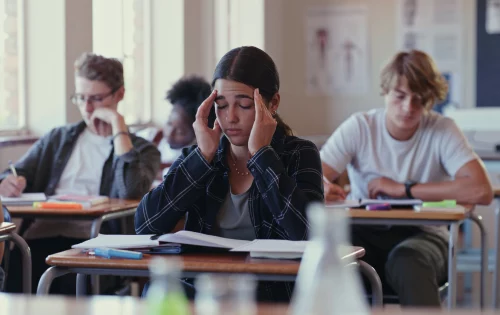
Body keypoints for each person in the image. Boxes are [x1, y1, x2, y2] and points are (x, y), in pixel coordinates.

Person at [135, 46, 324, 301]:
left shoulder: (299, 154)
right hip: (203, 291)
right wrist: (202, 158)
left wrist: (261, 155)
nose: (230, 117)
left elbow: (309, 234)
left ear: (273, 103)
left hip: (270, 294)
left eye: (244, 105)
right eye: (221, 105)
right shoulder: (202, 156)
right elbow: (145, 224)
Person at [320, 50, 493, 307]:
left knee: (409, 259)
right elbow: (312, 177)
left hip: (425, 236)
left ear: (430, 99)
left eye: (419, 99)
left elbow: (481, 190)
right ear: (386, 91)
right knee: (334, 253)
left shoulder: (441, 129)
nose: (408, 108)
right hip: (367, 233)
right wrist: (322, 187)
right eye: (400, 96)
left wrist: (405, 189)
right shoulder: (360, 127)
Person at [0, 52, 161, 294]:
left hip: (97, 242)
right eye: (80, 97)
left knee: (68, 280)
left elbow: (131, 190)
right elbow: (15, 172)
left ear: (119, 94)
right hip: (40, 238)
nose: (86, 108)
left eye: (96, 99)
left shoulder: (142, 149)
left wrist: (118, 127)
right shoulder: (59, 138)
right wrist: (8, 181)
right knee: (15, 271)